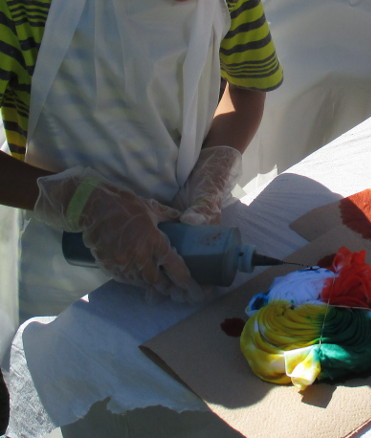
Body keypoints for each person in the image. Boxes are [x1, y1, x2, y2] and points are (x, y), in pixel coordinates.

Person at [0, 0, 283, 326]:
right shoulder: (23, 7)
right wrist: (81, 203)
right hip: (63, 271)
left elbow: (248, 87)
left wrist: (212, 173)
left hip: (186, 248)